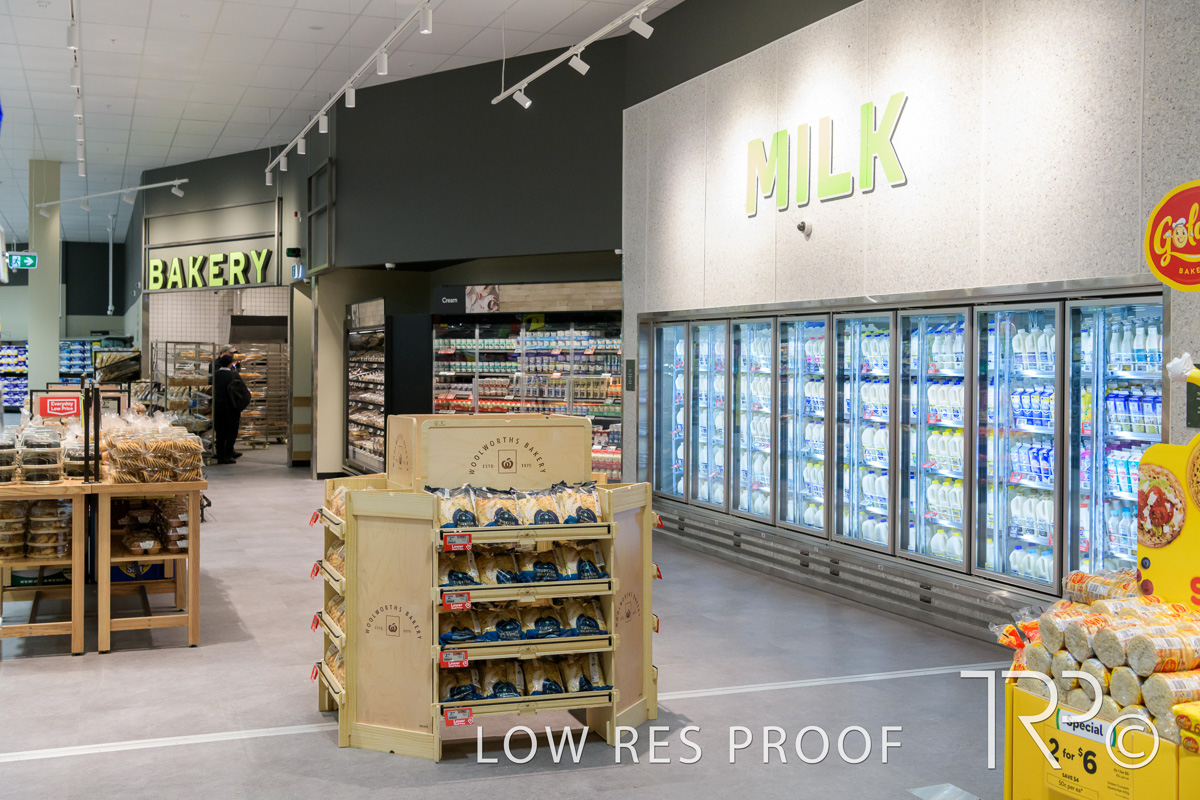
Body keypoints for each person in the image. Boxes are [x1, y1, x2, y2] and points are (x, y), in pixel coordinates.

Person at [213, 354, 244, 463]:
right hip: (231, 408)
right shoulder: (234, 374)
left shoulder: (215, 375)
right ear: (230, 364)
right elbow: (241, 389)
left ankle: (220, 455)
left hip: (218, 407)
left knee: (220, 432)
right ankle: (228, 455)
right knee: (231, 432)